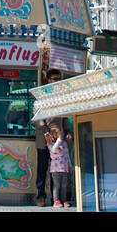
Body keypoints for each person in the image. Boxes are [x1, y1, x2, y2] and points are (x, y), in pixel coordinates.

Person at [34, 69, 64, 206]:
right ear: (48, 80)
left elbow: (65, 117)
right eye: (54, 79)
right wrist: (46, 133)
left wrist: (67, 132)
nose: (56, 81)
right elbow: (37, 117)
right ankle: (40, 196)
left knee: (56, 170)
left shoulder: (63, 96)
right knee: (42, 169)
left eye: (58, 79)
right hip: (43, 139)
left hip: (57, 139)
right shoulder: (41, 95)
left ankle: (55, 198)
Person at [48, 122, 72, 208]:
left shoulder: (64, 144)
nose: (61, 134)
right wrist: (59, 140)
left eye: (62, 133)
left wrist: (70, 165)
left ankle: (64, 200)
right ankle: (56, 200)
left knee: (64, 185)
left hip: (64, 168)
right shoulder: (51, 144)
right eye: (59, 133)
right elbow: (54, 150)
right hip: (55, 169)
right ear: (54, 135)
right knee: (57, 185)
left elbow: (67, 155)